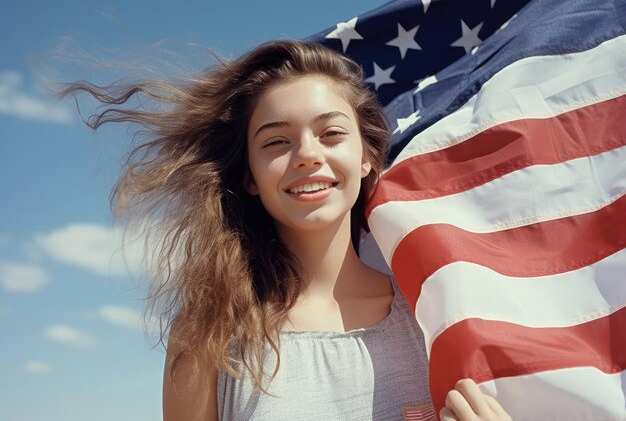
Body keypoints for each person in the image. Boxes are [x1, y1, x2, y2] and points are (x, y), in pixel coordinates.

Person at [62, 40, 511, 420]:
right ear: (249, 177)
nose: (306, 154)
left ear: (366, 156)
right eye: (276, 141)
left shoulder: (433, 313)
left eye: (331, 133)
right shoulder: (208, 333)